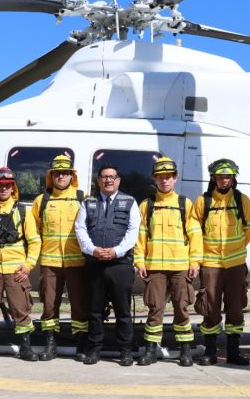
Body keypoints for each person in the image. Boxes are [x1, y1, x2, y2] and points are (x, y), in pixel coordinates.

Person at [134, 157, 203, 367]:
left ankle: (185, 351)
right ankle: (150, 350)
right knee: (155, 309)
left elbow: (195, 235)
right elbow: (141, 235)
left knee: (182, 308)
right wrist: (139, 261)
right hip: (155, 267)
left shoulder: (184, 204)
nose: (164, 181)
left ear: (175, 179)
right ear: (155, 179)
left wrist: (195, 262)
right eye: (160, 177)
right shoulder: (147, 205)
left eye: (168, 177)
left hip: (180, 267)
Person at [0, 167, 41, 362]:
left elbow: (35, 242)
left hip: (16, 271)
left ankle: (26, 347)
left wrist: (28, 266)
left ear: (13, 188)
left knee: (21, 309)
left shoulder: (23, 211)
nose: (4, 188)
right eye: (0, 185)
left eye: (7, 185)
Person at [75, 164, 140, 365]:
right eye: (104, 177)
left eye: (112, 177)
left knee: (123, 311)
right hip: (95, 263)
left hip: (120, 264)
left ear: (118, 180)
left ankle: (126, 351)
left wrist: (116, 251)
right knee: (94, 310)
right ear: (98, 180)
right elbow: (80, 229)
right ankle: (94, 350)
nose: (108, 180)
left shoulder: (129, 202)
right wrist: (92, 250)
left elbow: (133, 231)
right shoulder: (88, 203)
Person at [191, 158, 250, 366]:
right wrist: (199, 258)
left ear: (233, 178)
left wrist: (234, 250)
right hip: (211, 263)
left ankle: (233, 351)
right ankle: (210, 351)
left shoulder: (241, 200)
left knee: (235, 308)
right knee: (211, 308)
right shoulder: (203, 201)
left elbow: (249, 229)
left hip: (235, 263)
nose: (224, 181)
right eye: (220, 177)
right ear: (214, 178)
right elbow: (195, 232)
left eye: (228, 177)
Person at [30, 155, 88, 361]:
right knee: (48, 305)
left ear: (72, 176)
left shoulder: (82, 198)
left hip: (77, 263)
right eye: (57, 173)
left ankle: (81, 343)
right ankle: (50, 344)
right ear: (51, 176)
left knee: (79, 305)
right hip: (50, 262)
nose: (61, 176)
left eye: (65, 172)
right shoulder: (41, 201)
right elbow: (33, 232)